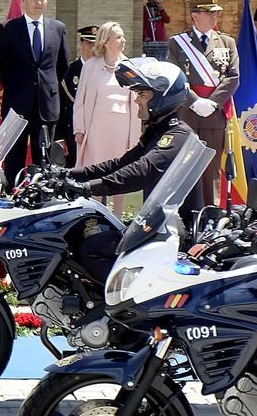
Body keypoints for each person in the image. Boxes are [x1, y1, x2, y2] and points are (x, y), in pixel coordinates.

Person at [57, 58, 194, 283]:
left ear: (162, 97)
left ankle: (114, 309)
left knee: (91, 247)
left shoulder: (178, 135)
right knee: (80, 234)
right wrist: (70, 174)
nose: (136, 100)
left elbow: (141, 171)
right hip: (154, 225)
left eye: (143, 94)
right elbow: (120, 165)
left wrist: (86, 189)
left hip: (169, 231)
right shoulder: (156, 132)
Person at [0, 0, 70, 185]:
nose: (39, 2)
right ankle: (12, 199)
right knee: (14, 159)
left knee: (44, 160)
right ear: (24, 0)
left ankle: (41, 202)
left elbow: (62, 66)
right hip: (17, 105)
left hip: (46, 105)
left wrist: (47, 86)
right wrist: (18, 86)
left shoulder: (58, 28)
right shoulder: (10, 28)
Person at [174, 0, 239, 208]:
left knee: (211, 168)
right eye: (209, 12)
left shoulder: (227, 42)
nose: (214, 16)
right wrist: (194, 102)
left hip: (214, 113)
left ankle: (211, 213)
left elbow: (233, 76)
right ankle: (185, 213)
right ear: (195, 15)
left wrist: (212, 102)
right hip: (188, 113)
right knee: (185, 164)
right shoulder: (178, 43)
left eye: (215, 12)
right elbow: (176, 77)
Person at [72, 22, 140, 215]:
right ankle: (94, 216)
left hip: (121, 129)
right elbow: (81, 99)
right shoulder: (92, 66)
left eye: (123, 36)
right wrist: (79, 128)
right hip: (96, 128)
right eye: (118, 37)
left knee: (120, 174)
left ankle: (117, 218)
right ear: (106, 41)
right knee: (96, 174)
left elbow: (135, 103)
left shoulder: (129, 67)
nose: (123, 40)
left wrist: (134, 138)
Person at [56, 25, 99, 168]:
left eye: (96, 43)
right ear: (81, 42)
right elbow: (60, 107)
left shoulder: (106, 71)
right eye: (89, 43)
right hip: (72, 133)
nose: (93, 48)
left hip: (98, 131)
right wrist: (59, 137)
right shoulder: (68, 71)